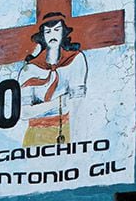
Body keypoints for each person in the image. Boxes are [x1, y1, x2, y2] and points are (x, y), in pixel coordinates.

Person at [17, 12, 86, 146]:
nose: (52, 35)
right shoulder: (30, 69)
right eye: (47, 31)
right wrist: (59, 102)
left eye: (56, 30)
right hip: (35, 133)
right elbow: (24, 112)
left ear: (63, 33)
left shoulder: (76, 60)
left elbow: (77, 103)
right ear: (42, 35)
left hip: (65, 129)